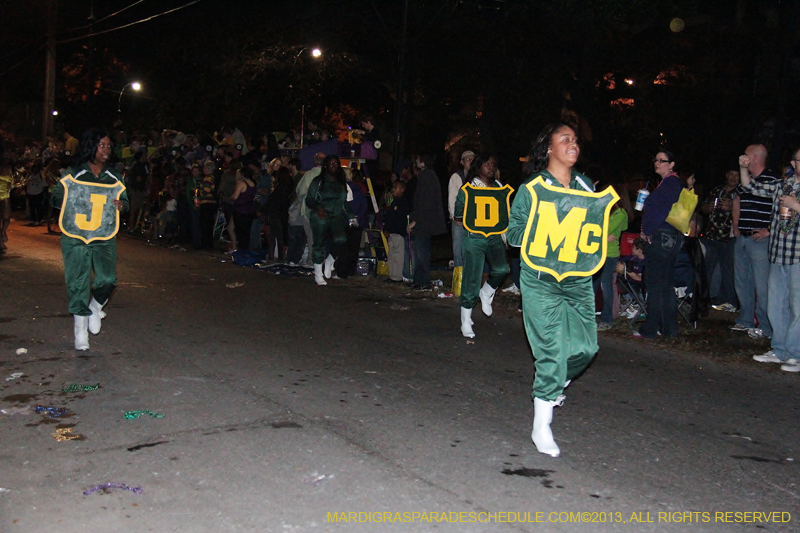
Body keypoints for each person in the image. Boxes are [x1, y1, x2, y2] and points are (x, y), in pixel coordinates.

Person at [506, 123, 604, 457]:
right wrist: (540, 228)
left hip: (577, 278)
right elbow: (513, 234)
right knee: (550, 351)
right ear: (549, 149)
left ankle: (554, 385)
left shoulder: (585, 186)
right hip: (540, 279)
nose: (573, 144)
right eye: (565, 139)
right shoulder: (532, 188)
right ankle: (541, 424)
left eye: (575, 140)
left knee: (586, 349)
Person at [50, 129, 129, 350]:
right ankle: (80, 333)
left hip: (103, 235)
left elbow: (125, 200)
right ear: (91, 147)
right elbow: (56, 197)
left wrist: (122, 205)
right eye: (102, 145)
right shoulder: (73, 173)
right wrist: (69, 200)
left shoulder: (115, 176)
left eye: (108, 146)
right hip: (75, 235)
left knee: (107, 280)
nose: (106, 150)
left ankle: (95, 307)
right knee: (78, 282)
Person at [740, 146, 800, 373]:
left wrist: (796, 206)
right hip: (777, 254)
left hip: (798, 256)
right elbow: (750, 187)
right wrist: (743, 168)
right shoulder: (781, 185)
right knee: (776, 306)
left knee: (797, 307)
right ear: (793, 163)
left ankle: (796, 354)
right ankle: (780, 349)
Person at [453, 154, 510, 338]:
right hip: (474, 237)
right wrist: (459, 217)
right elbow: (459, 209)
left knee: (502, 269)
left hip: (494, 236)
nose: (490, 167)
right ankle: (465, 320)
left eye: (493, 164)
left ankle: (486, 292)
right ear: (478, 167)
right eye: (487, 164)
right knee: (472, 277)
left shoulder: (500, 187)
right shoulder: (469, 187)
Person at [635, 150, 684, 339]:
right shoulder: (668, 183)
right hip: (669, 237)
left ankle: (651, 328)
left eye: (662, 160)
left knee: (655, 283)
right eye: (655, 159)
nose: (657, 163)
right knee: (664, 284)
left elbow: (662, 209)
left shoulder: (671, 182)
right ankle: (668, 329)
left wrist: (648, 230)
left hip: (663, 237)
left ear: (671, 164)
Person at [732, 144, 778, 339]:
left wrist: (769, 230)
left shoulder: (773, 181)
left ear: (756, 157)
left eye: (747, 154)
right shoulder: (746, 182)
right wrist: (736, 227)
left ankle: (766, 327)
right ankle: (746, 320)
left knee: (762, 286)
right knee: (742, 283)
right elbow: (739, 199)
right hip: (743, 237)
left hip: (759, 241)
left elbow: (782, 211)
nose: (744, 157)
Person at [305, 155, 353, 285]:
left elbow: (344, 202)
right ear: (325, 165)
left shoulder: (341, 182)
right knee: (318, 243)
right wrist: (318, 207)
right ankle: (318, 273)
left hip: (335, 215)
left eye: (336, 163)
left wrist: (351, 216)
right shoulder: (318, 181)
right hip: (320, 215)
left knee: (341, 239)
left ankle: (330, 261)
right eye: (331, 163)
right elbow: (309, 199)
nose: (333, 165)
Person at [700, 170, 739, 312]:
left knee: (727, 270)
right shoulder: (717, 190)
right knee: (707, 268)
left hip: (727, 237)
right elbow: (703, 207)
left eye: (737, 175)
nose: (734, 178)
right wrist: (707, 207)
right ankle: (704, 298)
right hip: (711, 235)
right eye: (731, 175)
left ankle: (729, 300)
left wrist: (731, 208)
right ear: (726, 176)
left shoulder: (740, 192)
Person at [408, 154, 447, 289]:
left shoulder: (426, 176)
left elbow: (424, 202)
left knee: (421, 252)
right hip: (425, 221)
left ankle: (422, 281)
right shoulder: (430, 176)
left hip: (424, 222)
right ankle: (418, 281)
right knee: (420, 252)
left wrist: (415, 220)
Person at [594, 185, 628, 330]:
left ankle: (607, 319)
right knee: (593, 285)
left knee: (605, 285)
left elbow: (602, 229)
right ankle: (586, 317)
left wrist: (601, 234)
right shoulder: (607, 211)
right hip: (597, 251)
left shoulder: (620, 213)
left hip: (610, 254)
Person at [447, 150, 475, 279]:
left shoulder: (479, 177)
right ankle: (459, 278)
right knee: (458, 249)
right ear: (462, 162)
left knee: (472, 249)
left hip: (474, 219)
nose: (471, 162)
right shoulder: (456, 177)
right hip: (460, 219)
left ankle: (470, 278)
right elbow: (452, 198)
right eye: (468, 159)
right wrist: (455, 215)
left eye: (472, 159)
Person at [382, 180, 410, 282]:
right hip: (392, 233)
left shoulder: (403, 203)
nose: (393, 189)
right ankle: (392, 275)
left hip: (398, 233)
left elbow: (400, 219)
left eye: (396, 187)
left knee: (398, 256)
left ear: (402, 189)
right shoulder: (395, 202)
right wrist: (387, 229)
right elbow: (390, 217)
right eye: (393, 187)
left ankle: (397, 277)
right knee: (391, 255)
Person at [230, 166, 258, 251]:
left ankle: (242, 250)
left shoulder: (241, 183)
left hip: (240, 210)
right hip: (250, 210)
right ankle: (245, 249)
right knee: (246, 231)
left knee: (240, 232)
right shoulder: (253, 184)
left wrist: (230, 197)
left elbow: (235, 196)